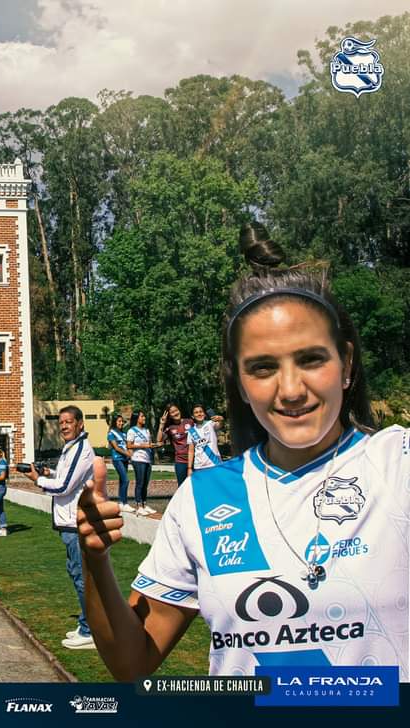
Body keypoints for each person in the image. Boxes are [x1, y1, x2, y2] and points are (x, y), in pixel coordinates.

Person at [77, 224, 409, 679]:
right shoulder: (204, 498)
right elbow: (131, 663)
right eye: (263, 367)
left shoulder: (398, 465)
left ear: (346, 364)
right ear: (239, 381)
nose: (291, 390)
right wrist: (94, 561)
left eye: (311, 359)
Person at [23, 406, 97, 649]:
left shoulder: (81, 450)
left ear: (80, 424)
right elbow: (65, 477)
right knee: (77, 574)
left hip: (75, 522)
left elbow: (64, 486)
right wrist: (48, 473)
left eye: (69, 422)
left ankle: (91, 631)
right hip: (68, 522)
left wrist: (38, 481)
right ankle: (87, 624)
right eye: (62, 422)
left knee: (81, 576)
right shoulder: (70, 448)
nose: (64, 426)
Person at [126, 410, 155, 516]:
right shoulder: (132, 431)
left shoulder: (147, 430)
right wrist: (143, 445)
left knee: (145, 484)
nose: (144, 418)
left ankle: (144, 504)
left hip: (147, 459)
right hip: (138, 459)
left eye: (144, 416)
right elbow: (129, 445)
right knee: (140, 483)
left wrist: (154, 445)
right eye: (142, 416)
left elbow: (149, 444)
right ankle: (138, 506)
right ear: (136, 418)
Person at [157, 404, 192, 486]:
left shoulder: (190, 422)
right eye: (172, 412)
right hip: (180, 461)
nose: (175, 413)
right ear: (169, 415)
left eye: (176, 410)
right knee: (182, 487)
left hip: (195, 460)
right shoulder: (170, 428)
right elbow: (159, 440)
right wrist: (161, 424)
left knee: (196, 486)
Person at [186, 405, 224, 476]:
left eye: (201, 411)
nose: (199, 414)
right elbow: (191, 451)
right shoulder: (191, 431)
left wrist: (221, 419)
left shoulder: (210, 424)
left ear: (204, 414)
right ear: (193, 416)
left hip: (214, 463)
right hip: (199, 466)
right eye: (196, 412)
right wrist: (189, 468)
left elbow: (220, 425)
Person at [107, 414, 133, 512]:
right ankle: (124, 502)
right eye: (119, 421)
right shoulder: (111, 433)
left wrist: (129, 453)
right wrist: (128, 454)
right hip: (117, 459)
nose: (121, 423)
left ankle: (121, 503)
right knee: (126, 480)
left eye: (122, 421)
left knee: (122, 481)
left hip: (125, 459)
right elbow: (116, 447)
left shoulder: (123, 434)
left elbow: (127, 445)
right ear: (115, 422)